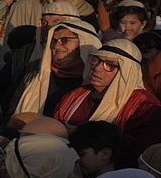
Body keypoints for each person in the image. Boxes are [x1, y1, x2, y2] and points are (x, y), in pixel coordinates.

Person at [53, 38, 161, 166]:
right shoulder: (76, 95)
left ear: (127, 71)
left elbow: (139, 150)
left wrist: (80, 134)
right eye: (96, 60)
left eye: (109, 65)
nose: (97, 68)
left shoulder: (145, 106)